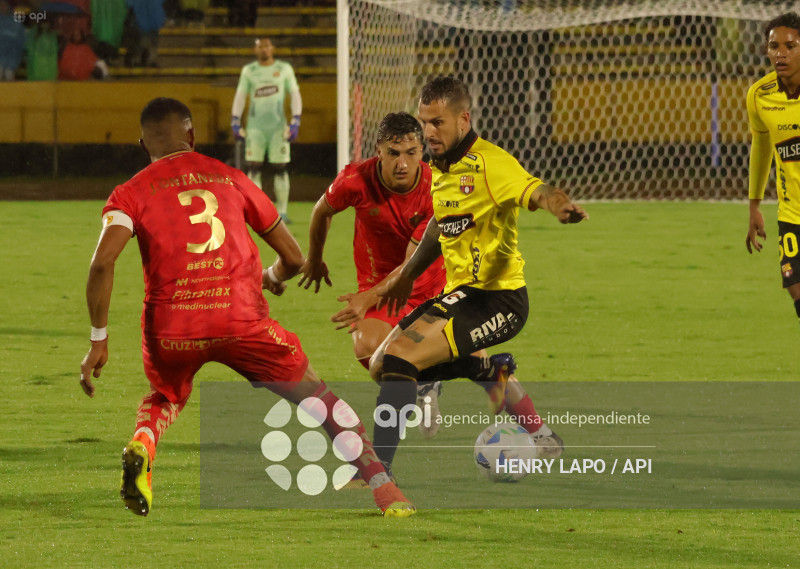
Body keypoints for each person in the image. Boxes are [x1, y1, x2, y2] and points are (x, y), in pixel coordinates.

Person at [78, 97, 415, 518]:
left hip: (172, 328)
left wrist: (98, 340)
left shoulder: (130, 192)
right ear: (192, 136)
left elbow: (101, 263)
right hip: (241, 321)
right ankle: (387, 492)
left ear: (143, 145)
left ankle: (144, 443)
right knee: (318, 398)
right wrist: (270, 278)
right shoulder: (230, 177)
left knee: (165, 395)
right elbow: (294, 258)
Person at [372, 76, 587, 478]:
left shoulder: (491, 163)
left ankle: (375, 472)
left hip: (499, 299)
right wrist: (408, 275)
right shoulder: (441, 166)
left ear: (463, 119)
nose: (429, 132)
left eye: (437, 123)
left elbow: (538, 190)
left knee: (403, 358)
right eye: (425, 123)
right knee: (380, 365)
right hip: (461, 294)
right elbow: (441, 223)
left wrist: (558, 204)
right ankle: (489, 369)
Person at [298, 111, 527, 451]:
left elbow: (409, 266)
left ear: (423, 151)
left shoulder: (436, 188)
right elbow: (321, 211)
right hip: (382, 299)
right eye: (393, 153)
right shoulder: (356, 180)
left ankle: (540, 432)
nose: (402, 163)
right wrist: (314, 259)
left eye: (411, 153)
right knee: (369, 349)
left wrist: (365, 298)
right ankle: (427, 382)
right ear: (379, 150)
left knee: (483, 366)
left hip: (435, 294)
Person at [746, 12, 800, 322]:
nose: (780, 53)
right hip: (791, 215)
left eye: (790, 46)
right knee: (795, 288)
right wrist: (754, 205)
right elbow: (761, 145)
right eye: (773, 45)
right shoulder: (759, 96)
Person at [232, 37, 301, 223]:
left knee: (280, 168)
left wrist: (296, 120)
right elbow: (240, 95)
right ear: (255, 50)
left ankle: (283, 212)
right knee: (253, 168)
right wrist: (235, 120)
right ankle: (258, 211)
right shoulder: (249, 71)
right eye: (260, 46)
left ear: (272, 48)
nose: (264, 49)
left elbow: (294, 94)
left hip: (278, 127)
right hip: (255, 128)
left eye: (267, 46)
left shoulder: (284, 69)